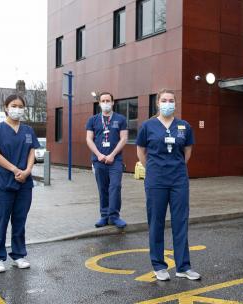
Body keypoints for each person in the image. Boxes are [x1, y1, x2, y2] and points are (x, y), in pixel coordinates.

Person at [136, 89, 201, 281]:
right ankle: (159, 265)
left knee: (180, 221)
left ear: (175, 103)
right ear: (157, 103)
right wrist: (154, 169)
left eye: (171, 100)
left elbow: (187, 151)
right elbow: (141, 151)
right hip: (156, 180)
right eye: (164, 100)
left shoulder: (184, 126)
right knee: (156, 222)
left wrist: (176, 167)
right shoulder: (147, 126)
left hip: (178, 179)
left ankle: (183, 266)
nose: (167, 103)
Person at [0, 94, 40, 273]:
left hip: (24, 184)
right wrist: (16, 170)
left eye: (20, 106)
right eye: (13, 105)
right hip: (3, 184)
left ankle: (18, 255)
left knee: (19, 221)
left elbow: (32, 152)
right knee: (0, 221)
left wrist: (27, 171)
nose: (17, 109)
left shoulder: (28, 131)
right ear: (6, 107)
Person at [86, 92, 128, 228]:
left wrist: (112, 155)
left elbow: (124, 138)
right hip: (99, 160)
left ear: (113, 102)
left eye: (108, 100)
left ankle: (114, 216)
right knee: (103, 188)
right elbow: (89, 139)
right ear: (99, 103)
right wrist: (98, 155)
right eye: (103, 101)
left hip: (115, 160)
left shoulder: (120, 119)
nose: (105, 103)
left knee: (115, 187)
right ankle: (104, 216)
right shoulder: (92, 120)